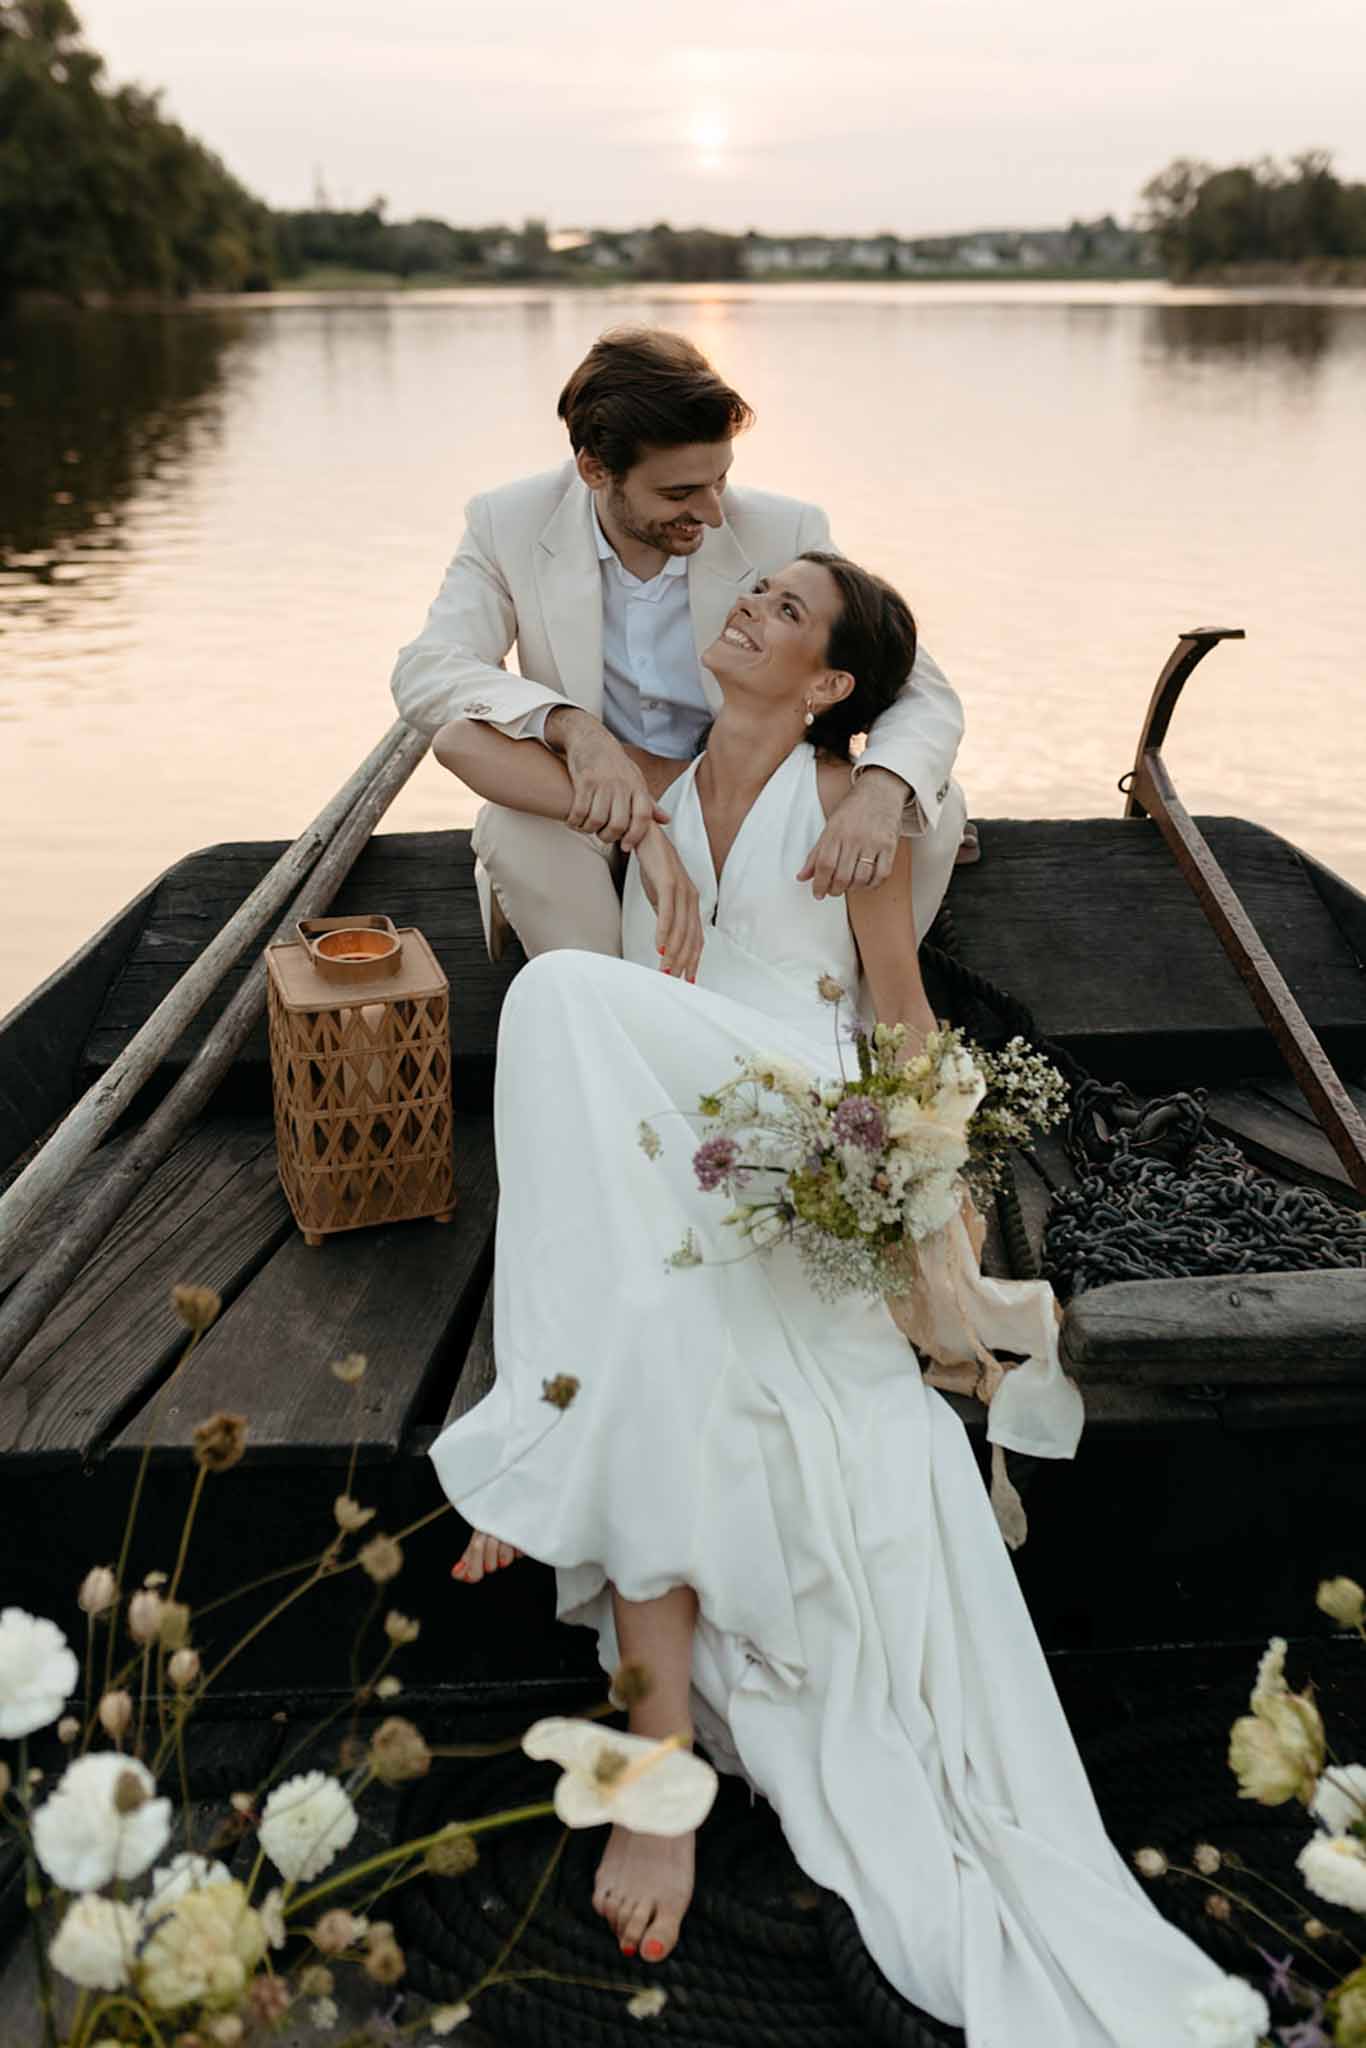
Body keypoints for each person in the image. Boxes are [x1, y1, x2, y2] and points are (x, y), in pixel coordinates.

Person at [424, 554, 1240, 2046]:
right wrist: (594, 763)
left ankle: (537, 1429)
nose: (746, 609)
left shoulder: (841, 798)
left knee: (552, 1002)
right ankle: (647, 1752)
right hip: (687, 1138)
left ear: (827, 686)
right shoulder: (660, 786)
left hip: (795, 1114)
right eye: (753, 598)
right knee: (667, 1335)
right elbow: (457, 729)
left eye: (785, 613)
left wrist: (937, 1180)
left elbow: (894, 1002)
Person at [390, 326, 969, 962]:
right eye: (679, 494)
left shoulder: (786, 529)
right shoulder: (508, 522)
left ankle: (851, 1018)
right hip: (600, 808)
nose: (713, 512)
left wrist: (881, 792)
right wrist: (575, 730)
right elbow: (427, 671)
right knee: (516, 827)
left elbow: (916, 682)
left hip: (746, 804)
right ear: (594, 469)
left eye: (720, 480)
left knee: (933, 810)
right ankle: (605, 1006)